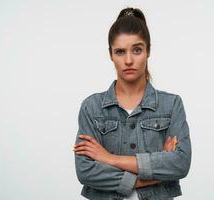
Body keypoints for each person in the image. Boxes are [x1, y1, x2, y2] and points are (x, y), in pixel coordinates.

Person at [73, 7, 192, 200]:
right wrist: (154, 173)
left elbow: (180, 163)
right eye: (120, 52)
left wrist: (109, 158)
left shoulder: (171, 105)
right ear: (111, 54)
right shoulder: (91, 107)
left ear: (148, 51)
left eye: (137, 50)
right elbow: (86, 171)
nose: (128, 60)